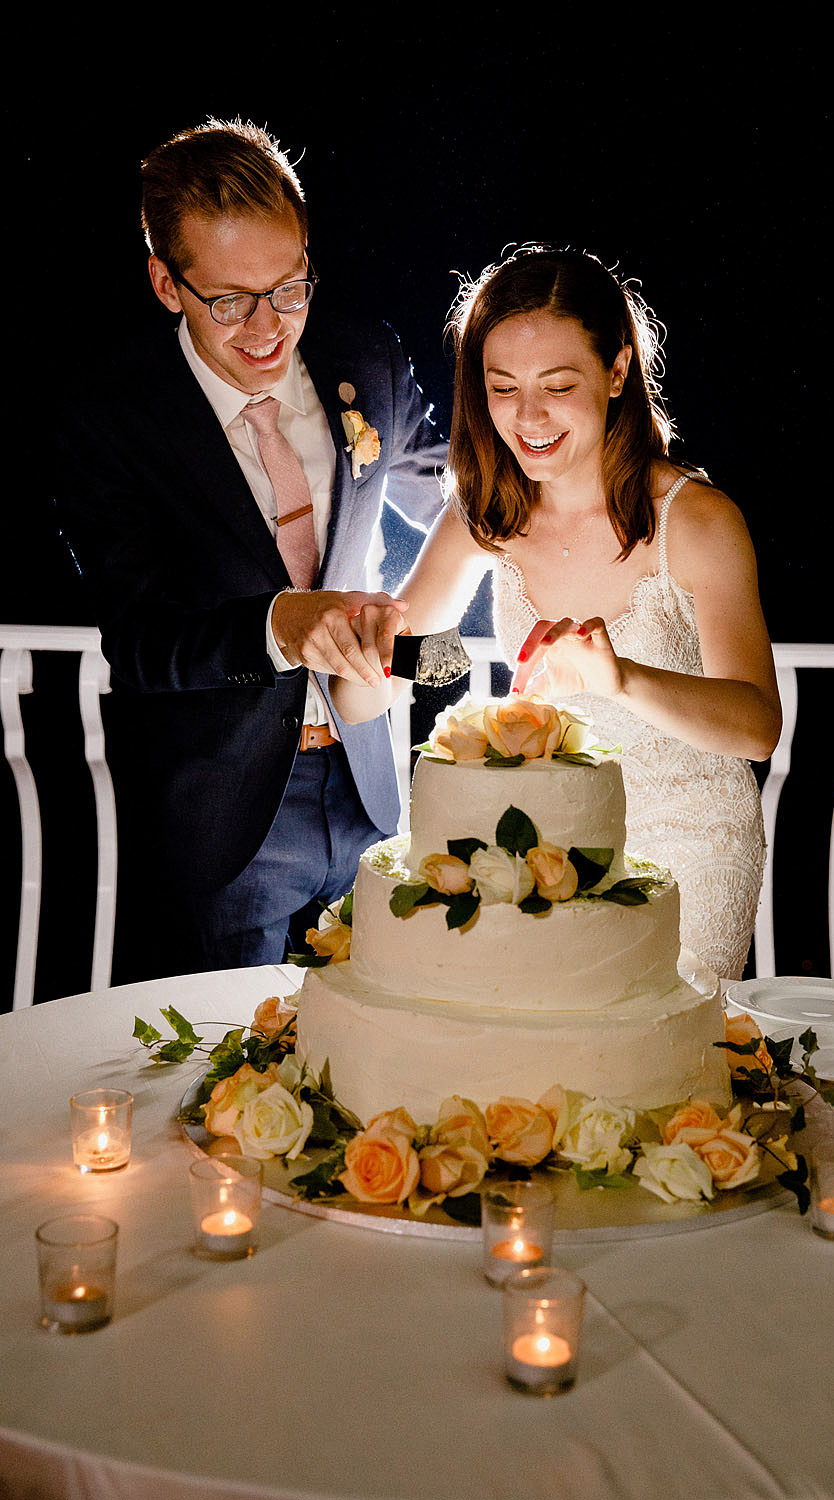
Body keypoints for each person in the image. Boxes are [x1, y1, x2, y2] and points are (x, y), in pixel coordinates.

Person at [55, 119, 445, 979]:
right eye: (229, 301)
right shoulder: (111, 418)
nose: (268, 326)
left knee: (379, 1068)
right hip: (226, 823)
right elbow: (142, 642)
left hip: (374, 789)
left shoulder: (365, 359)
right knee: (226, 1088)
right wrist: (278, 624)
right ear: (167, 282)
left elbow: (452, 497)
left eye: (290, 287)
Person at [333, 245, 780, 980]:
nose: (527, 417)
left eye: (557, 385)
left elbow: (758, 726)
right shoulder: (485, 515)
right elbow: (374, 680)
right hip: (540, 848)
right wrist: (361, 649)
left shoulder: (696, 523)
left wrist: (619, 677)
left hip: (690, 845)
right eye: (502, 386)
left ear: (616, 372)